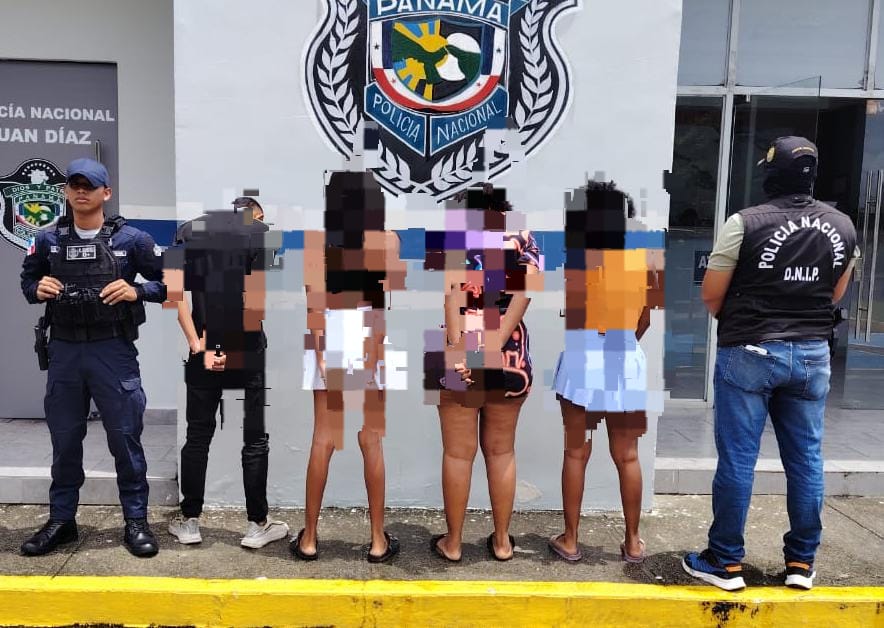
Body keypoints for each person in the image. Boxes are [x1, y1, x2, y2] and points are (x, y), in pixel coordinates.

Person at [683, 137, 859, 591]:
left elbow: (711, 295)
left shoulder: (745, 222)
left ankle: (724, 562)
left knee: (739, 459)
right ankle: (801, 563)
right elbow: (836, 293)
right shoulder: (843, 225)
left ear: (771, 174)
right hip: (812, 353)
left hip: (751, 349)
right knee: (806, 460)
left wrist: (746, 320)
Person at [19, 158, 165, 557]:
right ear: (66, 191)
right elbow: (27, 282)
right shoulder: (47, 240)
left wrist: (137, 291)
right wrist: (37, 288)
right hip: (65, 351)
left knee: (124, 438)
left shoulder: (133, 240)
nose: (81, 191)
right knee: (65, 440)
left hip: (112, 351)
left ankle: (136, 521)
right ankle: (61, 520)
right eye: (75, 184)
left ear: (106, 192)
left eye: (90, 185)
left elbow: (173, 282)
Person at [292, 170, 407, 563]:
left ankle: (309, 539)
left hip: (330, 331)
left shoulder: (316, 244)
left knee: (322, 438)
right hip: (369, 330)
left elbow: (314, 306)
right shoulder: (388, 240)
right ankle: (377, 541)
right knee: (371, 438)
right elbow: (387, 295)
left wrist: (322, 354)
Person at [548, 180, 664, 564]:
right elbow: (644, 320)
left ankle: (570, 540)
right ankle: (633, 542)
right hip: (625, 357)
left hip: (583, 357)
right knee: (627, 456)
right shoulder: (647, 261)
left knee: (575, 453)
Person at [164, 196, 289, 549]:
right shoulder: (264, 235)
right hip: (246, 348)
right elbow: (254, 300)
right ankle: (257, 525)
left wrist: (199, 344)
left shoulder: (187, 232)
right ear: (256, 214)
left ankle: (190, 522)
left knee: (197, 435)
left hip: (202, 348)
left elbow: (174, 294)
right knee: (254, 438)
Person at [425, 184, 541, 562]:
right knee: (502, 452)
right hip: (510, 361)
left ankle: (453, 543)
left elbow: (451, 298)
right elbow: (523, 296)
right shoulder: (523, 238)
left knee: (458, 455)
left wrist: (462, 351)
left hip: (459, 355)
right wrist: (492, 347)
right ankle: (503, 542)